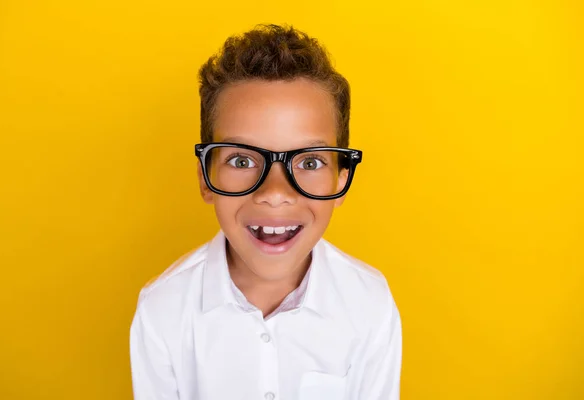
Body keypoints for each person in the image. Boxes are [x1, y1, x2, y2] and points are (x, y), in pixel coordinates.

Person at [130, 24, 402, 400]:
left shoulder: (370, 303)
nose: (275, 193)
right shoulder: (163, 309)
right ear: (206, 178)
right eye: (242, 160)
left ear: (340, 182)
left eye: (309, 163)